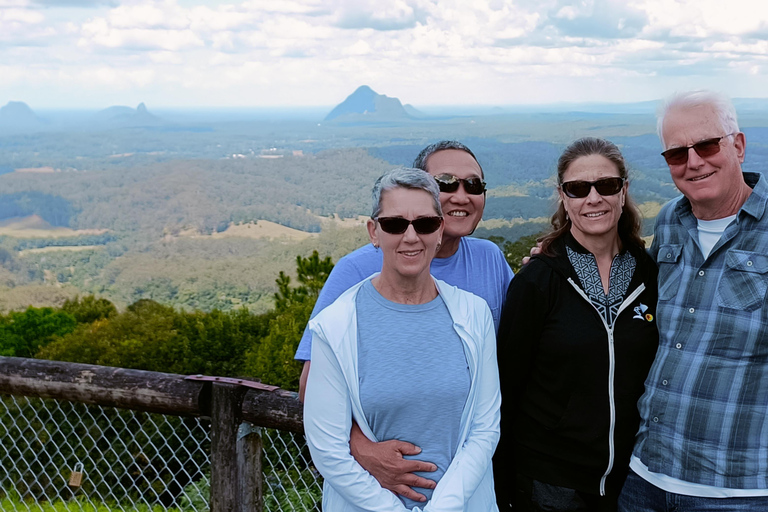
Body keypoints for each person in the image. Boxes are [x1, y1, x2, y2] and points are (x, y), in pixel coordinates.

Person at [295, 141, 513, 502]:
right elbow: (314, 392)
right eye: (446, 183)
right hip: (372, 493)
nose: (410, 236)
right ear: (374, 231)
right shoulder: (351, 281)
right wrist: (361, 449)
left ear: (438, 227)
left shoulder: (487, 267)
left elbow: (486, 413)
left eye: (473, 185)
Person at [617, 91, 768, 511]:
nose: (694, 162)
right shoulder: (669, 222)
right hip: (645, 476)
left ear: (737, 145)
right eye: (677, 153)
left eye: (706, 145)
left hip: (739, 493)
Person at [496, 137, 659, 511]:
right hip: (552, 483)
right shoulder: (538, 282)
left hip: (633, 480)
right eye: (578, 188)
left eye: (606, 185)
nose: (593, 198)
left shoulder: (649, 275)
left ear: (624, 191)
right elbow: (507, 386)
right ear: (563, 197)